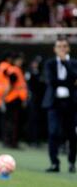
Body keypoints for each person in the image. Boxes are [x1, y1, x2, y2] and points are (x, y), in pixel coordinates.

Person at [42, 37, 77, 173]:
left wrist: (65, 63)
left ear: (68, 48)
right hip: (54, 103)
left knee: (72, 135)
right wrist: (71, 82)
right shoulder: (49, 63)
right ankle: (54, 163)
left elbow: (74, 76)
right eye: (59, 46)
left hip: (71, 103)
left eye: (64, 46)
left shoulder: (74, 63)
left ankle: (71, 163)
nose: (62, 49)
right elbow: (51, 81)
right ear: (54, 49)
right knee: (53, 132)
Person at [1, 52, 28, 148]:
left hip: (14, 100)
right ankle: (12, 142)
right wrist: (4, 97)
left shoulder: (15, 70)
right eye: (19, 60)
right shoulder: (15, 70)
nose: (21, 62)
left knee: (12, 122)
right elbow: (10, 85)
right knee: (13, 122)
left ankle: (9, 141)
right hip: (14, 100)